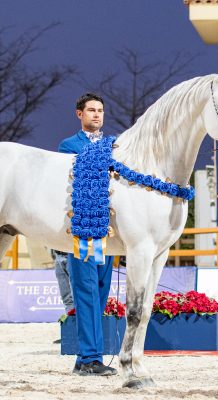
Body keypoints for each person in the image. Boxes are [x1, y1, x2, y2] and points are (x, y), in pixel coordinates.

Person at [59, 93, 117, 376]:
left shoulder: (113, 146)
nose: (97, 114)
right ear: (79, 114)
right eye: (91, 110)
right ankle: (91, 357)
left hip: (106, 235)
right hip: (81, 232)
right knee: (85, 293)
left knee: (101, 295)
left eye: (100, 110)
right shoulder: (68, 146)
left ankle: (85, 357)